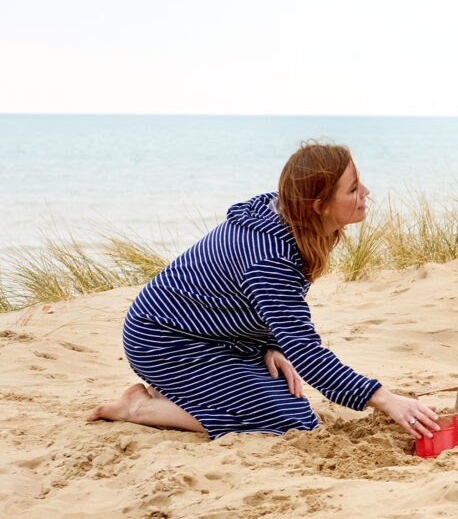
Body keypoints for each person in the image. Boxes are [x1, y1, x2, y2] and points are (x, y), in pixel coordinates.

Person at [90, 141, 440, 440]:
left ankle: (192, 391)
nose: (365, 193)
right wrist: (385, 398)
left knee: (282, 397)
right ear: (319, 205)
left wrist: (269, 343)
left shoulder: (292, 211)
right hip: (165, 340)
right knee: (290, 421)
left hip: (219, 333)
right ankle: (138, 408)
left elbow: (262, 304)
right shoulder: (270, 257)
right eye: (352, 189)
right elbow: (305, 352)